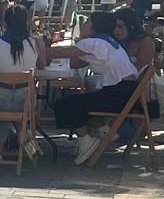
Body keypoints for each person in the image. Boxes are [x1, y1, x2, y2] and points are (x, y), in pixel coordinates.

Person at [51, 10, 141, 164]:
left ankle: (86, 141)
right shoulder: (107, 42)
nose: (83, 26)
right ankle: (105, 132)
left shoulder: (94, 42)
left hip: (119, 93)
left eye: (87, 23)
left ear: (95, 27)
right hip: (127, 92)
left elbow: (59, 52)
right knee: (80, 101)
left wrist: (38, 49)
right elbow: (76, 63)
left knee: (63, 104)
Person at [0, 4, 46, 149]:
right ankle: (22, 134)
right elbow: (42, 65)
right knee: (18, 110)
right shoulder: (36, 43)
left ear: (5, 23)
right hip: (25, 99)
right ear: (26, 22)